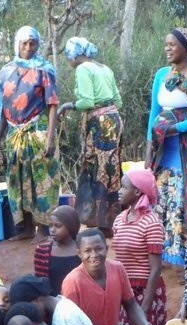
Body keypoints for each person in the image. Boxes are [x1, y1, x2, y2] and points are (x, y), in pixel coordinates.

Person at [144, 27, 187, 265]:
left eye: (172, 44)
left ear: (186, 47)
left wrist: (175, 128)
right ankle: (162, 256)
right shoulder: (161, 75)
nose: (167, 48)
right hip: (163, 151)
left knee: (183, 204)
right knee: (160, 203)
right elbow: (154, 113)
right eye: (166, 44)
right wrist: (148, 150)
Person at [0, 26, 59, 241]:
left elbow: (52, 105)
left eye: (32, 43)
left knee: (41, 181)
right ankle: (27, 229)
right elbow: (3, 108)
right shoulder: (7, 71)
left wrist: (50, 137)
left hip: (37, 132)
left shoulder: (44, 70)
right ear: (17, 44)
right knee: (18, 182)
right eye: (24, 43)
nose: (28, 47)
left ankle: (43, 230)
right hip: (13, 134)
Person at [57, 37, 123, 229]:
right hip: (114, 120)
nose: (68, 61)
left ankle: (97, 220)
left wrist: (67, 106)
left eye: (68, 56)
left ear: (74, 54)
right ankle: (112, 221)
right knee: (113, 169)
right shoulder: (105, 68)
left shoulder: (83, 69)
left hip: (99, 125)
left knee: (97, 170)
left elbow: (86, 101)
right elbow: (118, 101)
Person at [62, 228, 155, 325]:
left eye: (98, 249)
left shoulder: (118, 269)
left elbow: (131, 304)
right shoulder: (72, 282)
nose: (94, 255)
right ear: (79, 253)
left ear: (106, 248)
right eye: (87, 251)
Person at [112, 168, 167, 325]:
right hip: (125, 292)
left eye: (123, 187)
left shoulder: (151, 223)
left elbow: (156, 268)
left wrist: (144, 308)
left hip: (145, 293)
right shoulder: (119, 220)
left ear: (137, 191)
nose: (119, 191)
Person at [33, 205, 83, 295]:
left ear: (71, 226)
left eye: (58, 226)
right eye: (50, 226)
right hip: (54, 303)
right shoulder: (43, 251)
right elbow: (40, 283)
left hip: (80, 300)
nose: (52, 230)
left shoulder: (83, 249)